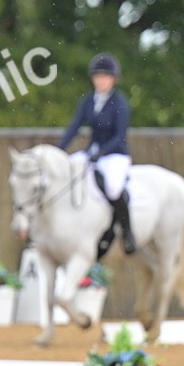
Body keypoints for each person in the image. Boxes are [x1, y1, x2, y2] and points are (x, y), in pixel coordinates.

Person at [58, 52, 135, 254]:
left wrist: (101, 152)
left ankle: (126, 232)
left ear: (113, 79)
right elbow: (74, 127)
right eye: (98, 76)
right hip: (92, 152)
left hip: (115, 154)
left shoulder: (120, 103)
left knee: (113, 188)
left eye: (105, 77)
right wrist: (59, 151)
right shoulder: (88, 101)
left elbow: (120, 135)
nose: (101, 81)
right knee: (67, 173)